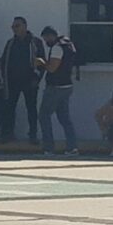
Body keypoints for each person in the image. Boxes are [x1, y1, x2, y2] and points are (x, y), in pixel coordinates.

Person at [1, 16, 46, 144]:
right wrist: (4, 79)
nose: (14, 29)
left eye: (17, 26)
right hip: (12, 82)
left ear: (25, 26)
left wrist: (37, 79)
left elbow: (41, 63)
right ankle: (8, 134)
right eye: (13, 26)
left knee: (31, 108)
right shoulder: (10, 43)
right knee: (9, 107)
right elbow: (4, 61)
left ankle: (33, 135)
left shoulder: (35, 42)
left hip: (29, 81)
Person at [36, 27, 78, 156]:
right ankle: (72, 147)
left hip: (55, 87)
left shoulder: (57, 48)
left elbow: (52, 68)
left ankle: (48, 148)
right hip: (67, 86)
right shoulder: (68, 44)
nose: (45, 42)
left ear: (50, 36)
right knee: (64, 118)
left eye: (45, 39)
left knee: (44, 115)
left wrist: (41, 63)